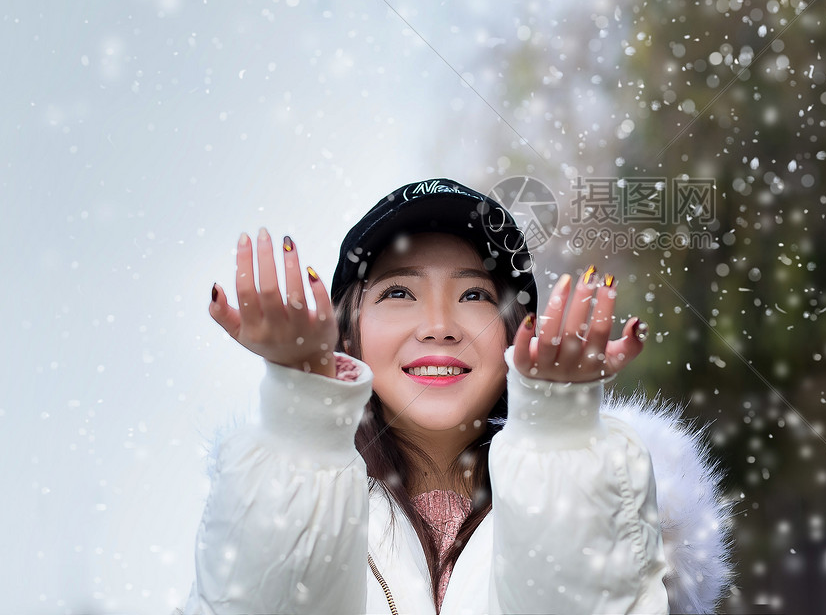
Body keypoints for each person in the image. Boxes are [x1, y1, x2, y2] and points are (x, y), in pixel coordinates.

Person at [181, 178, 732, 614]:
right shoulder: (273, 490)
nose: (440, 325)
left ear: (520, 333)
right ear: (346, 332)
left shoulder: (612, 496)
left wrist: (562, 436)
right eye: (399, 291)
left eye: (473, 294)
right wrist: (302, 410)